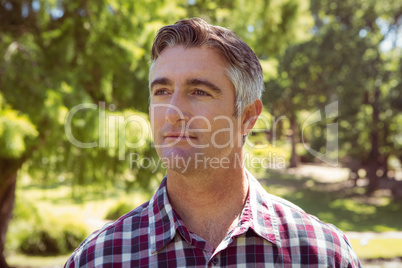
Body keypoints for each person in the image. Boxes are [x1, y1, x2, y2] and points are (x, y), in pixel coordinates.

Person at [65, 18, 361, 267]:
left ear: (247, 116)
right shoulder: (99, 258)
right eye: (162, 91)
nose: (172, 113)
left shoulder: (323, 255)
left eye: (199, 92)